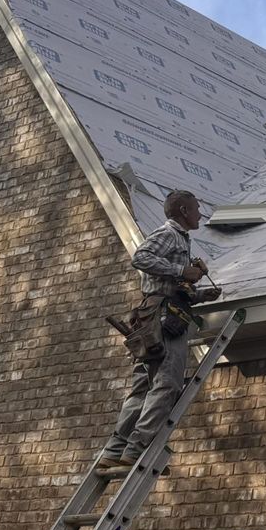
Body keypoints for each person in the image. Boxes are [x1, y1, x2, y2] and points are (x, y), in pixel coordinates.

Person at [99, 189, 211, 469]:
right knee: (166, 383)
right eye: (196, 208)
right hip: (164, 318)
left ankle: (114, 451)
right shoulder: (169, 234)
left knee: (142, 387)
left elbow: (169, 285)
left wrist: (198, 295)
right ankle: (136, 449)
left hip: (154, 314)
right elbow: (141, 258)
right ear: (183, 211)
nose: (200, 213)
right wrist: (182, 270)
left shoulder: (181, 240)